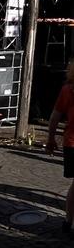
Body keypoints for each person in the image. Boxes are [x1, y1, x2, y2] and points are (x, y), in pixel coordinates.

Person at [47, 59, 74, 233]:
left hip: (71, 142)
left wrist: (51, 137)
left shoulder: (67, 89)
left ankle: (68, 220)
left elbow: (55, 116)